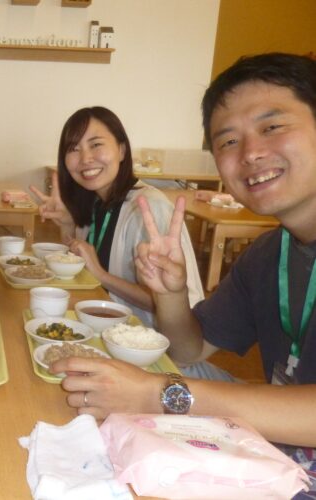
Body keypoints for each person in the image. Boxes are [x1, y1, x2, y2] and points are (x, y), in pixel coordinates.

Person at [53, 53, 316, 457]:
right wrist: (170, 294)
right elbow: (189, 350)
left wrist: (159, 394)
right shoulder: (267, 255)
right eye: (229, 141)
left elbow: (176, 375)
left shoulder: (145, 203)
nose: (250, 153)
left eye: (272, 127)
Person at [30, 106, 205, 328]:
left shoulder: (149, 207)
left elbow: (178, 303)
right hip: (101, 325)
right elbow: (78, 267)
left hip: (146, 338)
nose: (85, 158)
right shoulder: (95, 200)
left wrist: (102, 275)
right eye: (74, 148)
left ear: (121, 150)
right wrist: (68, 224)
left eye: (96, 145)